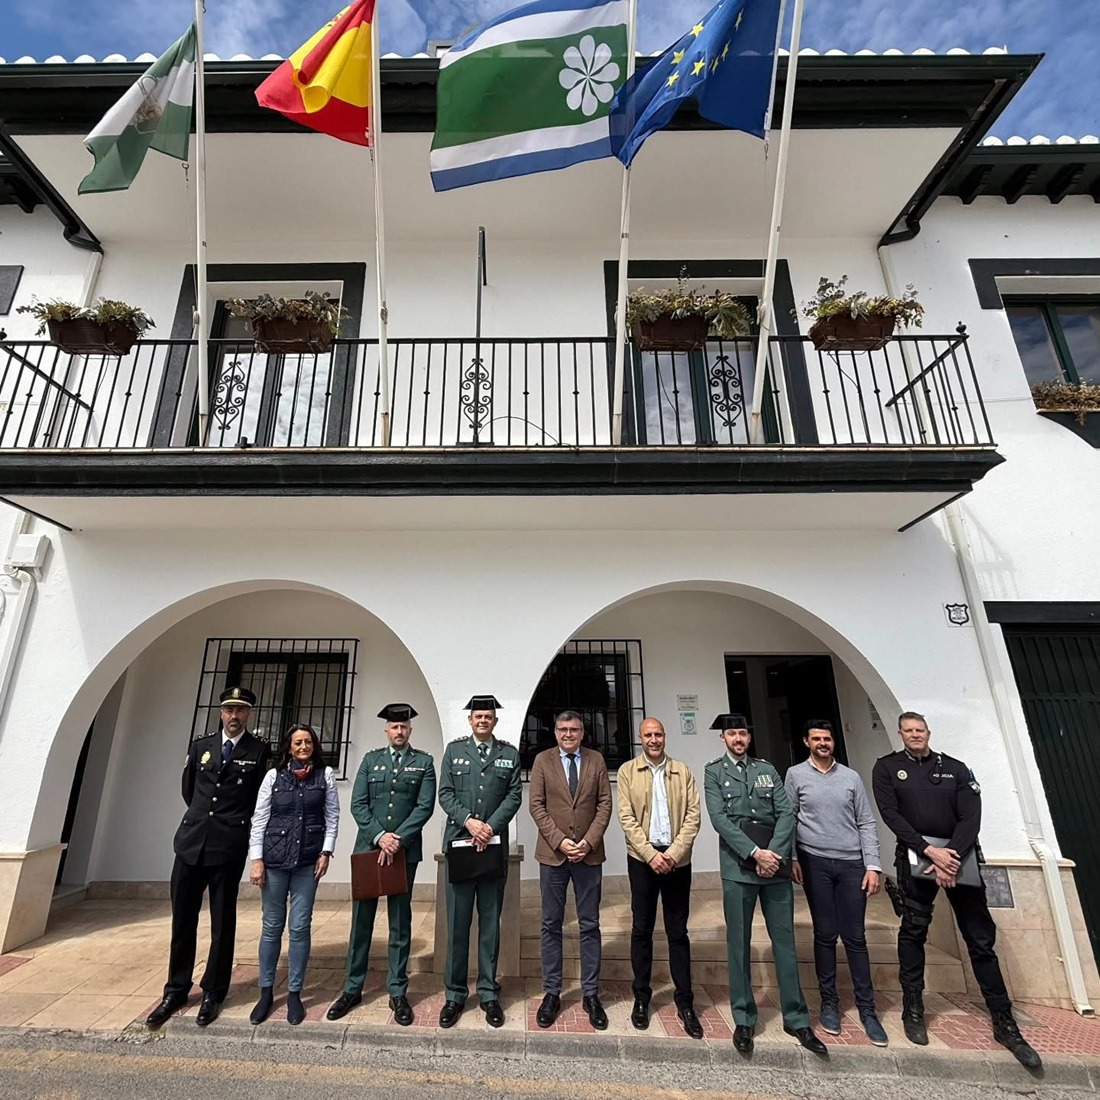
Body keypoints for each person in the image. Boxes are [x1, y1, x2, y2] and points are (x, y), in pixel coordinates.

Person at [872, 711, 1041, 1068]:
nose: (915, 735)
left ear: (928, 733)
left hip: (960, 858)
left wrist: (951, 856)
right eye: (909, 730)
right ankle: (913, 1008)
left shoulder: (956, 768)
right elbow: (891, 814)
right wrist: (928, 851)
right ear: (900, 734)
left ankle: (1003, 1019)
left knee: (980, 940)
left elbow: (971, 816)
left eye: (920, 730)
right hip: (916, 859)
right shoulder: (887, 768)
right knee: (913, 932)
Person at [146, 687, 271, 1029]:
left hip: (227, 846)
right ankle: (176, 989)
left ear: (248, 714)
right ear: (221, 712)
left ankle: (214, 991)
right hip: (191, 843)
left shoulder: (258, 750)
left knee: (222, 923)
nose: (234, 716)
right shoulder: (201, 745)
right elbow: (190, 790)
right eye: (229, 710)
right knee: (182, 921)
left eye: (240, 710)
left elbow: (258, 798)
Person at [704, 713, 827, 1057]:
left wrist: (774, 854)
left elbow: (786, 813)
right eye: (732, 734)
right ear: (723, 738)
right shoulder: (714, 772)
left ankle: (796, 1018)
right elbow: (719, 819)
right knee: (739, 944)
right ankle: (744, 1018)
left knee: (785, 943)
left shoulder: (766, 770)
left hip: (775, 868)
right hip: (739, 869)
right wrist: (755, 852)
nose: (738, 739)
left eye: (743, 733)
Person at [326, 703, 437, 1026]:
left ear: (410, 730)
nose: (399, 731)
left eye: (404, 727)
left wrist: (397, 839)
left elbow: (424, 807)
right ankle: (352, 988)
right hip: (369, 850)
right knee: (361, 922)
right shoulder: (370, 760)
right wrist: (379, 836)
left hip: (403, 852)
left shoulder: (424, 763)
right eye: (394, 726)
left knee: (400, 923)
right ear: (386, 730)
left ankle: (398, 990)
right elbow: (358, 804)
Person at [785, 720, 887, 1046]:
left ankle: (867, 1008)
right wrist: (793, 857)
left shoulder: (851, 777)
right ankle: (829, 1002)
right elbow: (789, 817)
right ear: (806, 742)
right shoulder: (795, 775)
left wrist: (873, 865)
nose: (823, 743)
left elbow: (866, 821)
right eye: (816, 738)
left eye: (827, 738)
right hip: (815, 862)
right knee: (825, 933)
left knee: (855, 936)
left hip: (851, 864)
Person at [436, 695, 522, 1029]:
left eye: (488, 716)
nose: (483, 720)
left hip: (492, 847)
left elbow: (514, 795)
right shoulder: (454, 751)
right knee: (457, 925)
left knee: (490, 924)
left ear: (495, 722)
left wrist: (490, 827)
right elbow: (445, 793)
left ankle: (488, 992)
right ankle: (455, 995)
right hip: (461, 845)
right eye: (478, 716)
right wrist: (470, 822)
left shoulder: (508, 754)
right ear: (470, 721)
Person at [616, 717, 703, 1039]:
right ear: (640, 738)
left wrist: (674, 854)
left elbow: (693, 816)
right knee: (642, 929)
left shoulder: (683, 771)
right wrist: (651, 855)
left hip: (678, 861)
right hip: (642, 860)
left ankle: (685, 1002)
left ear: (664, 737)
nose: (654, 740)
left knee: (678, 932)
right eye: (648, 735)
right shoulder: (627, 771)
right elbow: (626, 817)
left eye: (658, 734)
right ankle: (642, 997)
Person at [247, 723, 339, 1025]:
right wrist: (256, 859)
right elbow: (260, 818)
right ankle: (265, 991)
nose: (303, 747)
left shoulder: (325, 776)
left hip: (307, 862)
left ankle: (295, 992)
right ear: (288, 746)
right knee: (272, 927)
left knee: (299, 927)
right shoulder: (274, 776)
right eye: (298, 742)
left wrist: (326, 852)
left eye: (308, 742)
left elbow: (332, 816)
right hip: (274, 861)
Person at [529, 710, 613, 1030]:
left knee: (589, 924)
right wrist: (560, 841)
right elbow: (536, 805)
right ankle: (552, 992)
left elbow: (605, 804)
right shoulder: (542, 761)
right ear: (555, 732)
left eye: (574, 729)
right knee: (551, 924)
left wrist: (588, 842)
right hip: (553, 855)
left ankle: (591, 993)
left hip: (588, 857)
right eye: (563, 729)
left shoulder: (596, 760)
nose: (568, 734)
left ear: (582, 732)